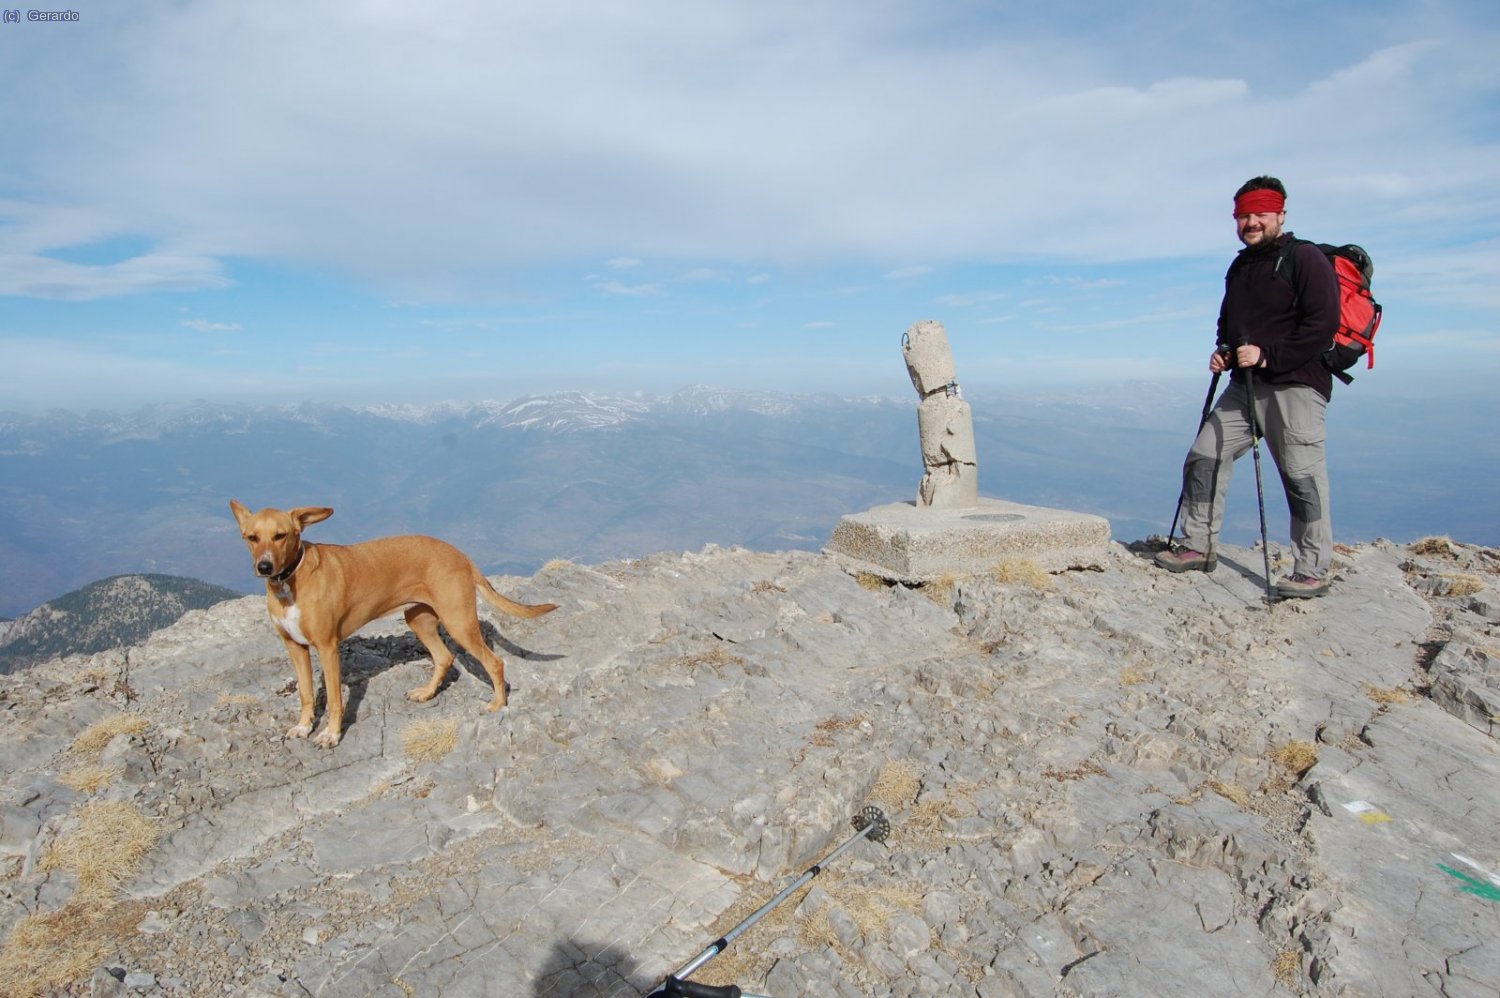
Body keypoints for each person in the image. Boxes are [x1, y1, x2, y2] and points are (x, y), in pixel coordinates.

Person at [1156, 176, 1340, 598]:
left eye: (1260, 214)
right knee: (1204, 455)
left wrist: (1268, 355)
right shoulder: (1241, 266)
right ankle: (1197, 544)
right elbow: (1229, 322)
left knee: (1301, 476)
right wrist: (1224, 349)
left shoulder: (1305, 258)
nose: (1251, 222)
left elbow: (1322, 325)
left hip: (1295, 384)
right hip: (1245, 384)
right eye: (1243, 216)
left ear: (1280, 215)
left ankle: (1313, 568)